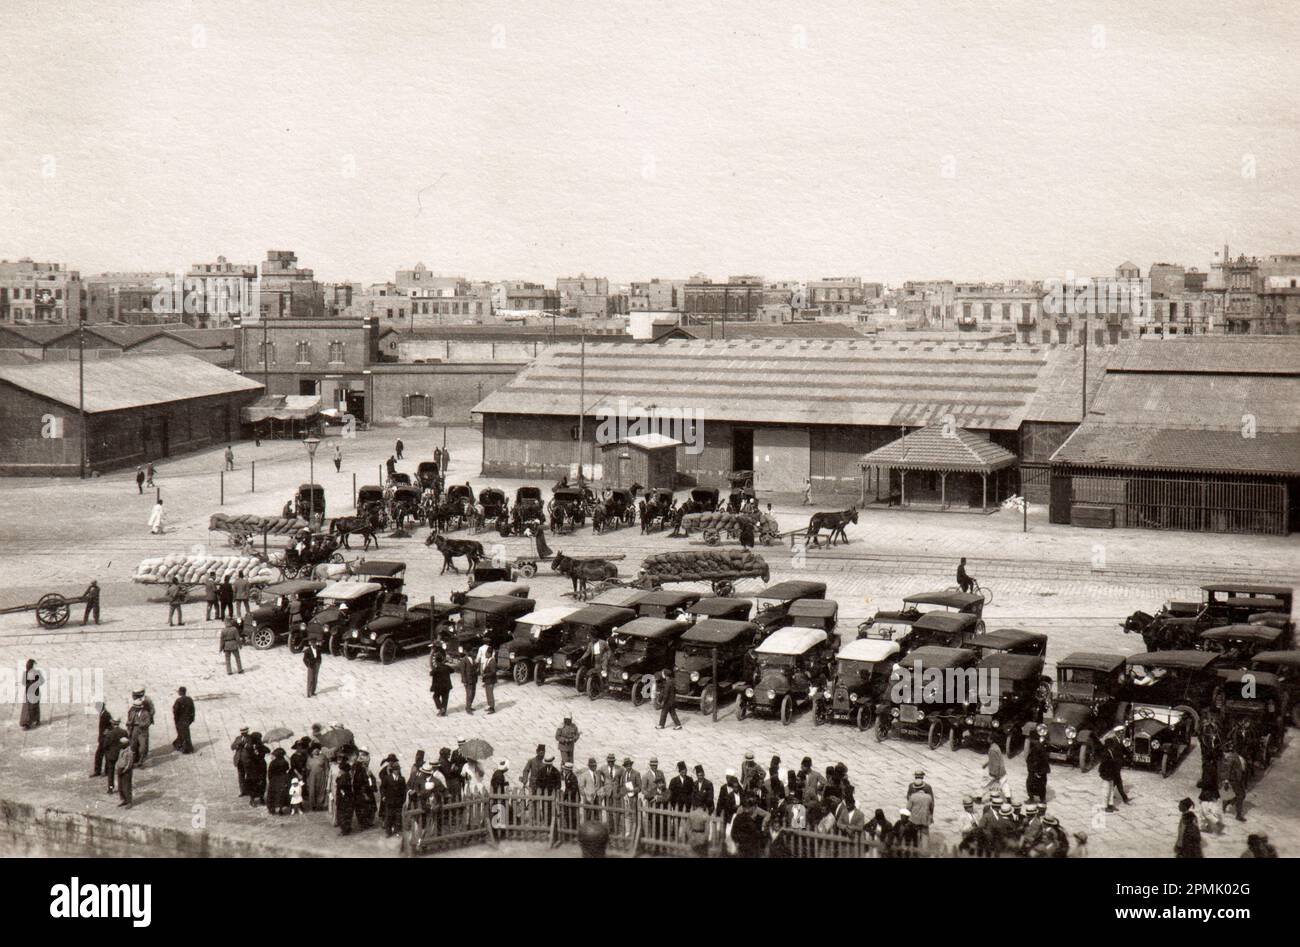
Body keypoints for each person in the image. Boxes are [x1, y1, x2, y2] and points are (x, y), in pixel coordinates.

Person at [126, 687, 155, 764]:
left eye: (135, 695)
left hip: (143, 724)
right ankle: (136, 757)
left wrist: (145, 718)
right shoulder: (135, 705)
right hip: (135, 727)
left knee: (143, 742)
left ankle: (142, 756)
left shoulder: (147, 700)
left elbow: (152, 710)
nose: (133, 696)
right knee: (134, 743)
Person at [379, 755, 406, 837]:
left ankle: (397, 830)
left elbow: (403, 790)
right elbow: (382, 788)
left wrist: (403, 799)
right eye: (395, 770)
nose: (397, 771)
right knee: (389, 816)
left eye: (398, 770)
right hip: (389, 800)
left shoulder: (401, 779)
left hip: (398, 801)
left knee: (398, 816)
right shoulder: (387, 778)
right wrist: (383, 796)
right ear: (393, 771)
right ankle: (388, 831)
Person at [1098, 739, 1129, 811]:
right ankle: (1105, 806)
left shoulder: (1111, 752)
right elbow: (1103, 766)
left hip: (1112, 774)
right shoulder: (1105, 753)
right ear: (1109, 746)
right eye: (1111, 745)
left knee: (1111, 790)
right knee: (1106, 791)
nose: (1113, 747)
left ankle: (1110, 805)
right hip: (1107, 775)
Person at [101, 717, 128, 793]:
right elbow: (127, 742)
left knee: (111, 772)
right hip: (121, 754)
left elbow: (105, 745)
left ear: (112, 723)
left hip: (111, 755)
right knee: (122, 770)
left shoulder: (109, 733)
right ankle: (122, 786)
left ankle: (110, 788)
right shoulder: (124, 732)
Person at [241, 732, 268, 806]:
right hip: (253, 768)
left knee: (262, 782)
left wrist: (260, 748)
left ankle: (261, 797)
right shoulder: (249, 747)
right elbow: (248, 756)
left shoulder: (260, 746)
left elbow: (267, 750)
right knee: (253, 783)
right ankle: (252, 799)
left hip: (261, 767)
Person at [353, 752, 378, 829]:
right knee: (363, 809)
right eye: (365, 763)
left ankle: (368, 822)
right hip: (362, 793)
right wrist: (364, 794)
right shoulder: (359, 772)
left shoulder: (367, 771)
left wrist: (370, 776)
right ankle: (363, 823)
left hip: (368, 792)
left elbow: (372, 781)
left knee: (370, 808)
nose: (367, 764)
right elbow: (359, 785)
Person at [1025, 731, 1051, 802]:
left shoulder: (1037, 747)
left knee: (1034, 784)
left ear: (1032, 739)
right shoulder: (1039, 745)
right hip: (1039, 770)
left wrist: (1037, 772)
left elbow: (1037, 761)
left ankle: (1035, 799)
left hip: (1037, 771)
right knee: (1039, 784)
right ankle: (1041, 799)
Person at [1224, 748, 1247, 822]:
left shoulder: (1241, 757)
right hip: (1234, 780)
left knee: (1242, 795)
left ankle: (1227, 802)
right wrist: (1226, 781)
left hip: (1239, 779)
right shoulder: (1232, 757)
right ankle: (1238, 815)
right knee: (1240, 796)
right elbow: (1228, 770)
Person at [90, 701, 113, 777]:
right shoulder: (103, 714)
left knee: (102, 755)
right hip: (102, 739)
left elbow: (111, 725)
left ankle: (102, 771)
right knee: (101, 755)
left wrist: (106, 732)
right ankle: (102, 771)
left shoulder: (106, 715)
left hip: (105, 739)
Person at [18, 658, 42, 729]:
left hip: (35, 692)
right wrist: (29, 684)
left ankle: (36, 720)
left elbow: (41, 681)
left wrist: (35, 682)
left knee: (35, 706)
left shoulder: (37, 673)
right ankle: (26, 722)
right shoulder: (25, 673)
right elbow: (23, 682)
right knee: (27, 708)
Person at [306, 745, 330, 811]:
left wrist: (327, 776)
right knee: (312, 790)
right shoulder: (309, 758)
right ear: (311, 751)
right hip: (312, 776)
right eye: (314, 749)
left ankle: (320, 805)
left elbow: (327, 767)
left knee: (321, 790)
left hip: (321, 775)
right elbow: (308, 769)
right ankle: (313, 806)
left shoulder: (323, 757)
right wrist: (307, 778)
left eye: (317, 749)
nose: (316, 750)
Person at [171, 686, 195, 754]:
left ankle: (186, 748)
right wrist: (191, 719)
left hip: (180, 720)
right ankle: (178, 744)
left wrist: (176, 720)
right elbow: (193, 710)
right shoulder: (189, 699)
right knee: (184, 733)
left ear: (181, 692)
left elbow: (175, 711)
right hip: (187, 719)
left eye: (179, 691)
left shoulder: (178, 700)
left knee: (183, 734)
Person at [267, 748, 291, 815]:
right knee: (281, 795)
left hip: (274, 780)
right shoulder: (284, 762)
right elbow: (287, 768)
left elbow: (270, 772)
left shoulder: (273, 762)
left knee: (272, 795)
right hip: (283, 779)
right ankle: (281, 809)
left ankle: (272, 809)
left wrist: (270, 780)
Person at [115, 737, 136, 808]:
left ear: (125, 744)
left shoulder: (129, 752)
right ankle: (124, 799)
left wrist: (124, 771)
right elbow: (119, 759)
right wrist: (117, 767)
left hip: (126, 772)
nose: (119, 744)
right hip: (120, 770)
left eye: (121, 743)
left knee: (126, 787)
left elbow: (129, 764)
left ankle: (129, 802)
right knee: (120, 787)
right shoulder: (121, 750)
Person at [335, 760, 355, 835]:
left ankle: (344, 830)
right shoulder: (348, 776)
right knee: (347, 814)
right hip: (348, 798)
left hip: (343, 799)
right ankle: (347, 828)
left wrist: (338, 778)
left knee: (342, 814)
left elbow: (341, 787)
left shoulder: (343, 777)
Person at [479, 642, 497, 714]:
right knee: (488, 693)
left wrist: (485, 675)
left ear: (489, 654)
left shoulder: (492, 662)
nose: (485, 654)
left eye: (486, 653)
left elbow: (493, 672)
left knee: (490, 694)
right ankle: (490, 706)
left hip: (490, 680)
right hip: (488, 681)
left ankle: (492, 708)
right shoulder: (488, 660)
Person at [231, 726, 250, 796]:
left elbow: (251, 747)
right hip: (239, 761)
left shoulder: (250, 738)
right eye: (242, 732)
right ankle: (242, 791)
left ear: (247, 732)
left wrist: (246, 746)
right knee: (241, 776)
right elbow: (232, 747)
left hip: (247, 760)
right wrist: (237, 746)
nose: (243, 734)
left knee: (248, 776)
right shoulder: (238, 738)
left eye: (244, 732)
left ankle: (248, 789)